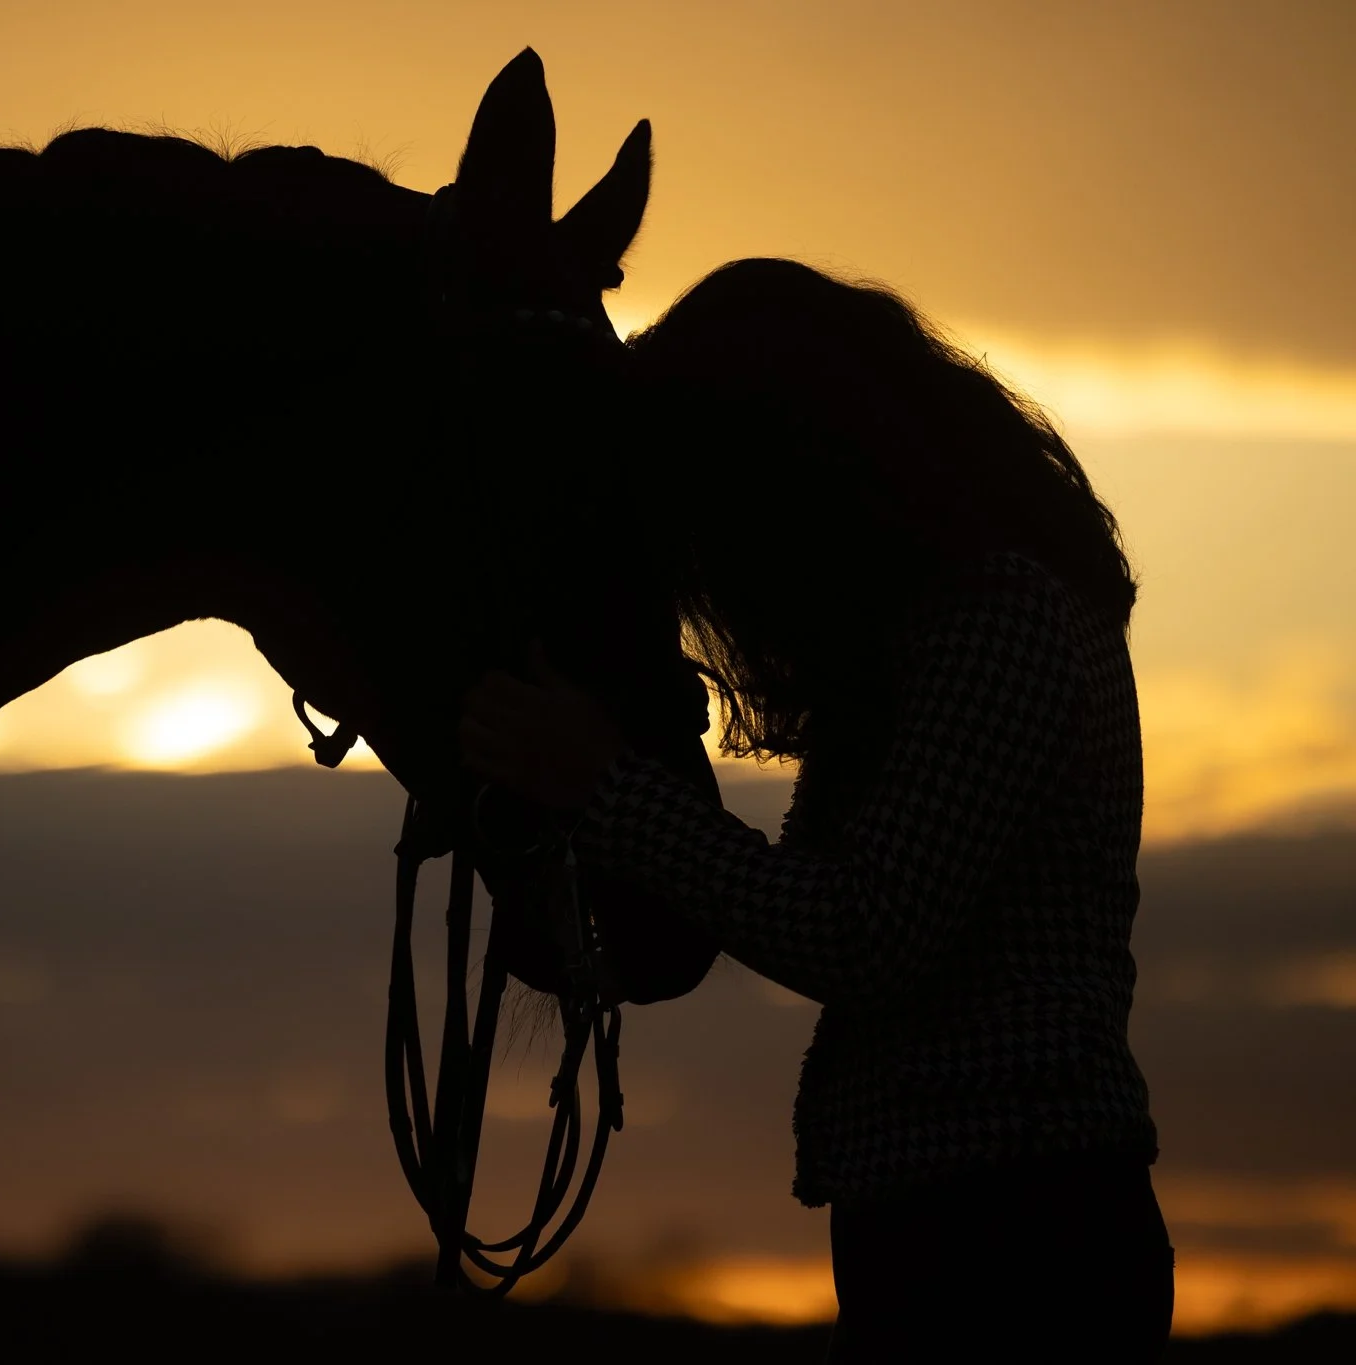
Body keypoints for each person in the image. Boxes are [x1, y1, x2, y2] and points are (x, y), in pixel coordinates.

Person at [459, 258, 1173, 1362]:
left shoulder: (995, 622)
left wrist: (604, 787)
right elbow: (822, 904)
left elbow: (857, 930)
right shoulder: (947, 628)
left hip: (1008, 1232)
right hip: (970, 1214)